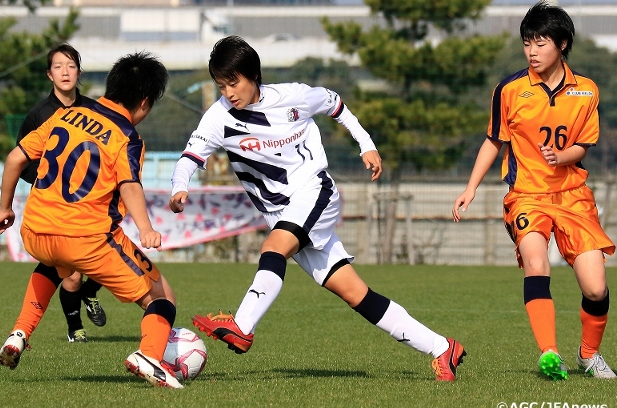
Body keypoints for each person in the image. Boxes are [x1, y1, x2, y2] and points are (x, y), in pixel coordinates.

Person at [169, 35, 466, 381]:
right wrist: (180, 187)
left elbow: (336, 104)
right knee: (358, 295)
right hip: (282, 214)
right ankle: (443, 348)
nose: (228, 92)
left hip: (314, 191)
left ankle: (242, 325)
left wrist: (366, 145)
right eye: (221, 85)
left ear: (254, 76)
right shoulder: (218, 117)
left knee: (273, 247)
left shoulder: (294, 96)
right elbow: (190, 157)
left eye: (233, 82)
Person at [0, 52, 183, 389]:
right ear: (145, 103)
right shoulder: (127, 136)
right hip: (87, 239)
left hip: (34, 230)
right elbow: (129, 185)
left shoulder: (68, 114)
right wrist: (147, 229)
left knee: (52, 263)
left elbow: (14, 158)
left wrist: (5, 207)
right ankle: (149, 355)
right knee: (162, 297)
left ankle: (19, 333)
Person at [452, 0, 615, 380]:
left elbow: (583, 146)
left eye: (540, 43)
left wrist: (561, 157)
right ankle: (549, 353)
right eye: (527, 43)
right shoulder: (509, 89)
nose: (532, 51)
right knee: (537, 262)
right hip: (526, 194)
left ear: (562, 44)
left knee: (596, 288)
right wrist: (470, 188)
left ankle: (589, 355)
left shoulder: (587, 91)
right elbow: (494, 140)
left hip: (574, 196)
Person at [16, 43, 106, 343]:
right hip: (55, 209)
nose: (65, 72)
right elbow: (22, 161)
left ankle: (90, 293)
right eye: (58, 66)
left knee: (109, 255)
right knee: (70, 273)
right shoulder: (38, 115)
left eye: (70, 66)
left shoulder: (94, 111)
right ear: (49, 74)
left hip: (91, 205)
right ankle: (74, 327)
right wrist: (49, 182)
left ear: (79, 72)